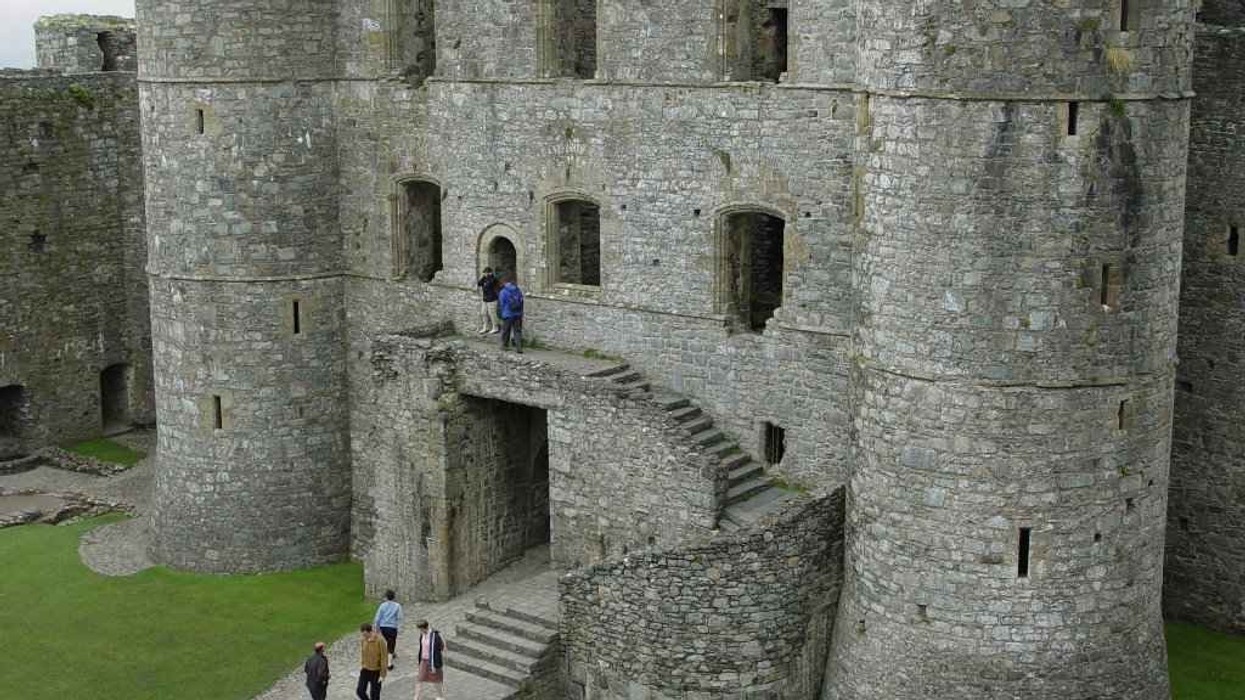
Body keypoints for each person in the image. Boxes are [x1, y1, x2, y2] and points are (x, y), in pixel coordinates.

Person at [413, 620, 446, 700]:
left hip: (433, 661)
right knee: (419, 679)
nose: (420, 631)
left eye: (421, 629)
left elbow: (442, 647)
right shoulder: (422, 635)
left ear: (426, 627)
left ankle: (441, 696)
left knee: (436, 680)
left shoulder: (435, 635)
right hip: (423, 660)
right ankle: (416, 697)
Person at [356, 622, 387, 700]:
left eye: (365, 634)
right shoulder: (363, 640)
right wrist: (363, 664)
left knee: (374, 695)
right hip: (365, 669)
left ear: (370, 632)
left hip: (376, 671)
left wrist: (383, 674)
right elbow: (363, 653)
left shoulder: (380, 640)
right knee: (360, 691)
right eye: (363, 634)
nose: (364, 636)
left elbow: (384, 657)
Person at [374, 589, 403, 670]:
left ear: (386, 597)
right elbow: (400, 618)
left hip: (383, 627)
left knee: (387, 641)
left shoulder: (382, 605)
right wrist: (400, 628)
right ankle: (389, 663)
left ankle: (389, 654)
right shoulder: (397, 606)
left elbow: (378, 617)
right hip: (392, 627)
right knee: (391, 643)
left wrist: (376, 627)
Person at [498, 274, 524, 353]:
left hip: (508, 314)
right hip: (518, 314)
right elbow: (521, 301)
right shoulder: (517, 290)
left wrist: (501, 313)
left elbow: (502, 304)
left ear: (504, 282)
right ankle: (519, 347)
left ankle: (505, 346)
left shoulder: (503, 292)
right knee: (517, 331)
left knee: (506, 330)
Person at [476, 267, 499, 334]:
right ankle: (485, 327)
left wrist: (489, 276)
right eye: (484, 273)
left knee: (492, 313)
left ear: (490, 273)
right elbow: (479, 284)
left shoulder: (493, 279)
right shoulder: (484, 279)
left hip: (492, 299)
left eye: (486, 273)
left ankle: (495, 327)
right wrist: (483, 277)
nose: (485, 274)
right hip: (485, 299)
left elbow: (489, 285)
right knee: (483, 313)